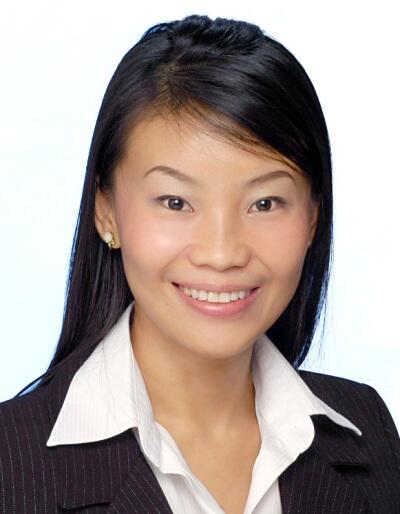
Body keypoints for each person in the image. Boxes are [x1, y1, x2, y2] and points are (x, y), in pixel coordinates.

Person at [1, 13, 399, 514]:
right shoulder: (10, 463)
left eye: (265, 203)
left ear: (314, 216)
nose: (222, 253)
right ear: (106, 210)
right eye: (175, 202)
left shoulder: (368, 432)